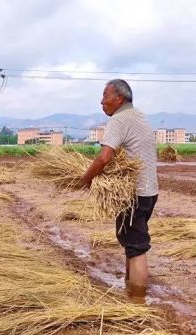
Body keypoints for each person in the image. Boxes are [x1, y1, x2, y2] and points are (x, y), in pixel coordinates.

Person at [80, 79, 158, 303]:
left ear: (119, 98)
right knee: (131, 244)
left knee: (137, 248)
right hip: (149, 192)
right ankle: (130, 288)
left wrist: (86, 178)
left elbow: (105, 157)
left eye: (105, 95)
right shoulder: (138, 116)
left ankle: (138, 301)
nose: (101, 101)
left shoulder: (119, 120)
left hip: (133, 194)